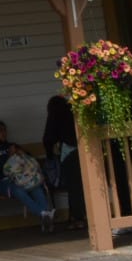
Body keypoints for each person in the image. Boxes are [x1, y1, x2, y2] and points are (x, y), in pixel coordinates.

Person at [0, 120, 55, 231]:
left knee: (36, 188)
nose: (4, 133)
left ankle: (45, 221)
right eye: (1, 131)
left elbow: (29, 159)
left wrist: (22, 152)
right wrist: (9, 157)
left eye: (5, 130)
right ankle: (44, 214)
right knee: (18, 190)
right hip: (2, 183)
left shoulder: (12, 146)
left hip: (22, 179)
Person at [42, 95, 86, 231]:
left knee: (74, 188)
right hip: (85, 151)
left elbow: (48, 138)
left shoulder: (56, 115)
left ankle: (77, 218)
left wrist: (50, 156)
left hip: (69, 154)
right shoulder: (74, 112)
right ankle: (76, 217)